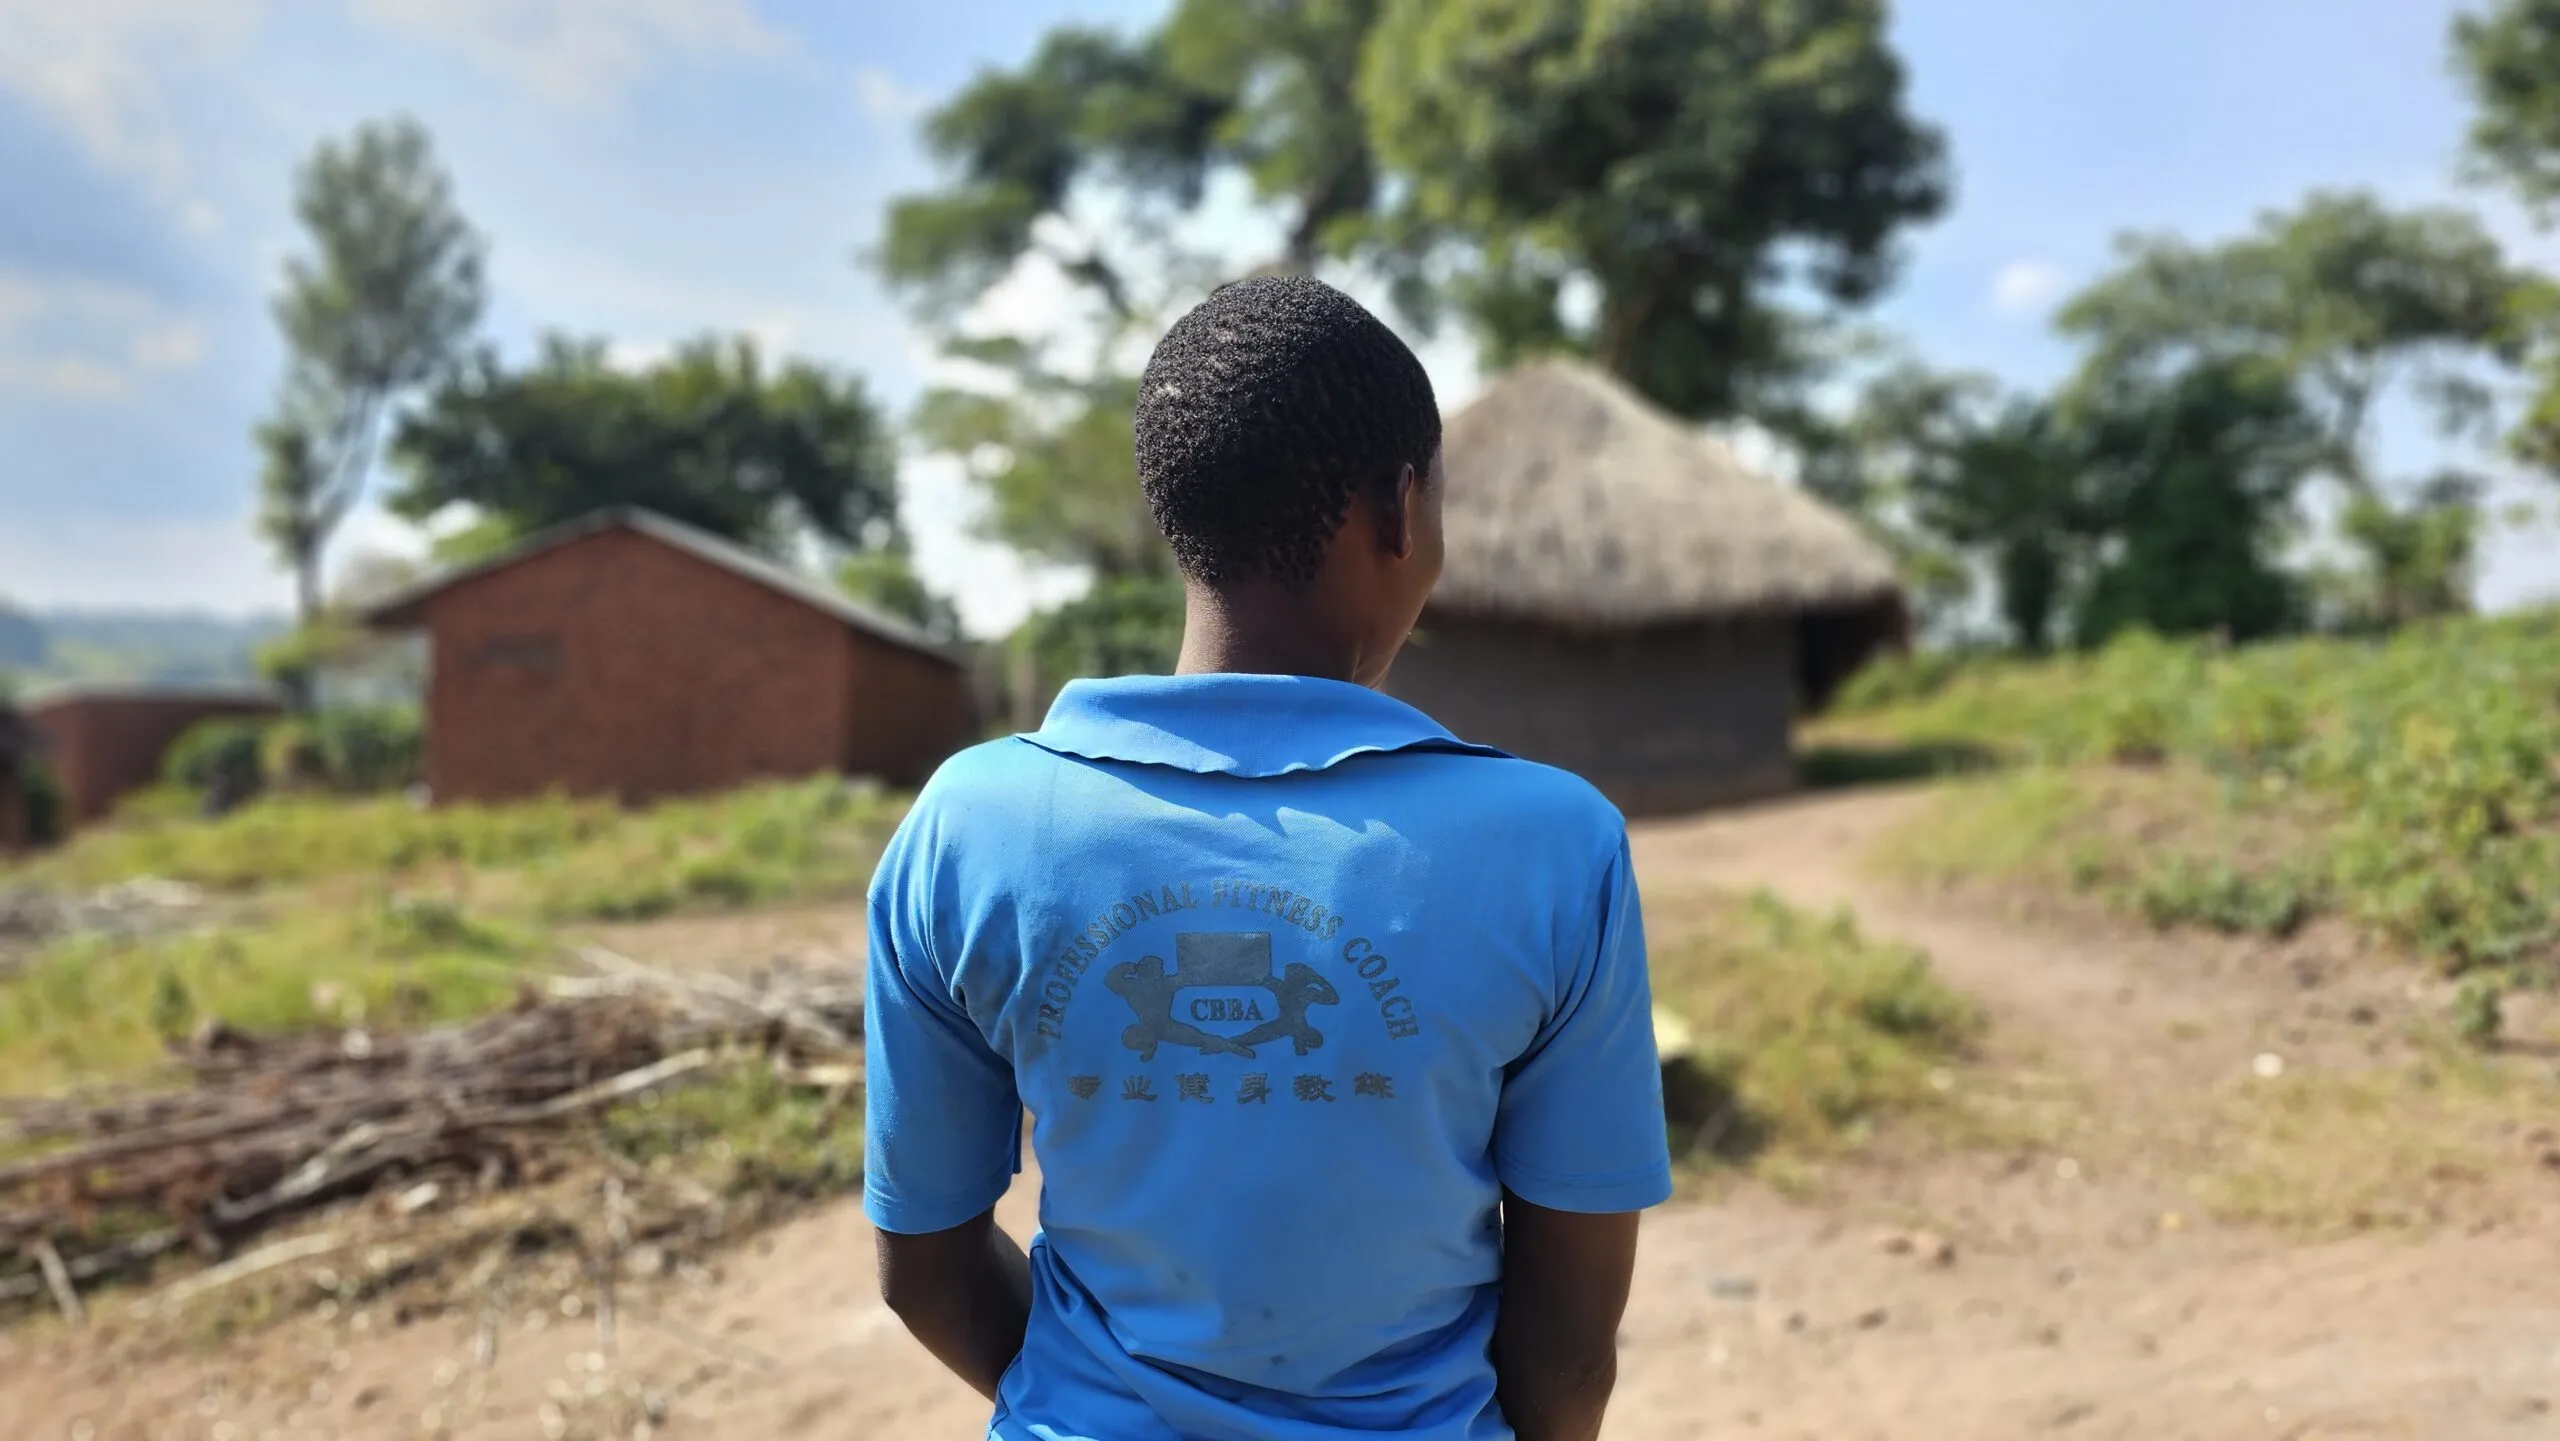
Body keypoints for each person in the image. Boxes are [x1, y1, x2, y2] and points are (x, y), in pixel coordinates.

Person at [864, 275, 1672, 1441]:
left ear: (1177, 520)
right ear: (1399, 511)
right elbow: (1566, 1355)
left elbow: (922, 1269)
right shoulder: (1552, 845)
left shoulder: (968, 825)